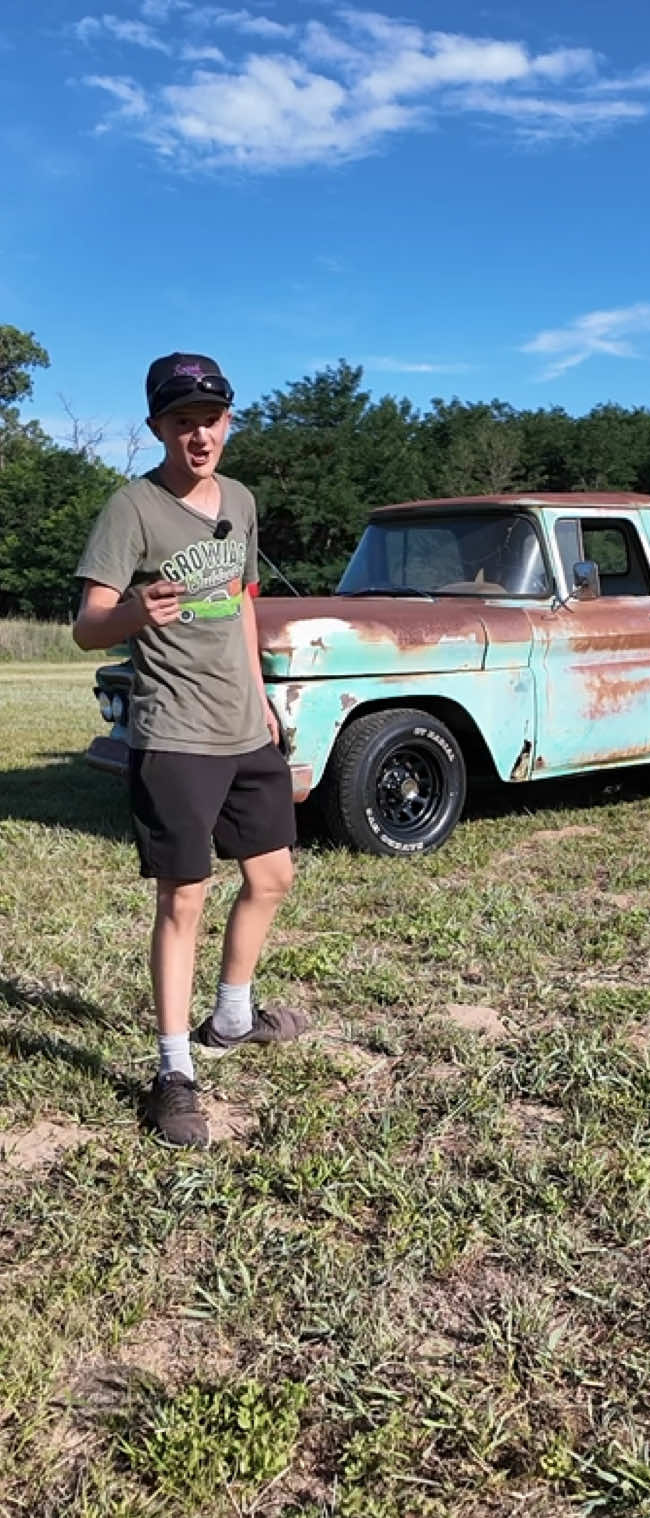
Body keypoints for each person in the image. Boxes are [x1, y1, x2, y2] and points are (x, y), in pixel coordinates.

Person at [74, 353, 305, 1148]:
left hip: (245, 725)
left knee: (272, 875)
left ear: (228, 423)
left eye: (210, 418)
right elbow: (86, 626)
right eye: (181, 421)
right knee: (185, 899)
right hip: (175, 731)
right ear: (157, 429)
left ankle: (232, 1017)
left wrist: (264, 693)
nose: (197, 433)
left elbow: (242, 600)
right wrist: (135, 612)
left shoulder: (238, 500)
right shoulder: (132, 508)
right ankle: (174, 1070)